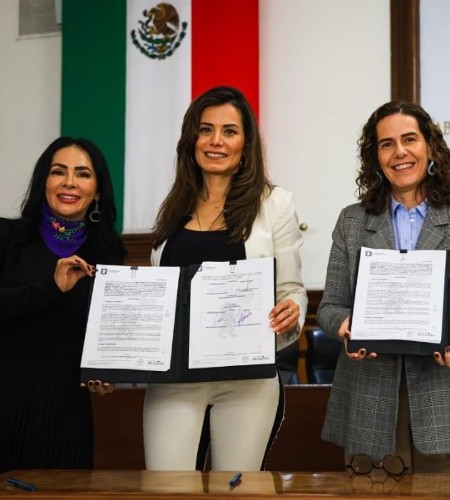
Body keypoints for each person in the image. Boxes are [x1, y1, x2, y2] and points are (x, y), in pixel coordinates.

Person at [318, 101, 450, 474]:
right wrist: (345, 326)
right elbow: (329, 306)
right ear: (376, 157)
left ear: (430, 147)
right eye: (386, 144)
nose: (399, 152)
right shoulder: (352, 221)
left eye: (409, 139)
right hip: (371, 404)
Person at [0, 137, 126, 487]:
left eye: (83, 174)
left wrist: (105, 368)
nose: (69, 182)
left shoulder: (108, 251)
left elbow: (101, 329)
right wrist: (50, 289)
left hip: (61, 409)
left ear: (98, 192)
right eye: (59, 172)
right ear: (44, 182)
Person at [144, 86, 307, 471]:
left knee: (238, 490)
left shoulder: (274, 203)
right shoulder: (171, 208)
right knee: (166, 489)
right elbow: (158, 295)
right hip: (174, 379)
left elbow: (292, 289)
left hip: (247, 381)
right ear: (192, 139)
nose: (216, 141)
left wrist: (291, 311)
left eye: (229, 131)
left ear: (245, 143)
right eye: (206, 130)